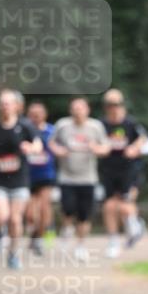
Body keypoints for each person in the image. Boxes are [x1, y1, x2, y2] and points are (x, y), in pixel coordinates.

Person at [0, 89, 42, 269]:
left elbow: (38, 144)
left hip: (20, 180)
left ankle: (13, 254)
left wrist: (31, 148)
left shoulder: (25, 125)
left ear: (16, 106)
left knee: (15, 219)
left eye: (8, 103)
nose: (5, 106)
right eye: (2, 103)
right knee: (2, 216)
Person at [49, 96, 110, 262]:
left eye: (81, 108)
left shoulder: (95, 126)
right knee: (68, 209)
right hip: (66, 177)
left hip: (88, 178)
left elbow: (106, 148)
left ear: (87, 110)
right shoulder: (62, 125)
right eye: (75, 108)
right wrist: (58, 151)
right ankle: (66, 231)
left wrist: (96, 148)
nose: (78, 111)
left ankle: (81, 246)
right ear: (71, 110)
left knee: (84, 215)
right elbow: (51, 143)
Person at [99, 89, 148, 258]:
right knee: (109, 206)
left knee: (126, 204)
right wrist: (99, 149)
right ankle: (113, 241)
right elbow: (95, 142)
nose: (114, 108)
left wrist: (135, 148)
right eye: (111, 104)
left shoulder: (131, 123)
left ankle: (135, 225)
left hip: (129, 169)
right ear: (106, 107)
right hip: (109, 170)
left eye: (117, 104)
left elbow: (144, 138)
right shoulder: (101, 125)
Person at [24, 101, 56, 255]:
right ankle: (35, 234)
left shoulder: (52, 131)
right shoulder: (24, 130)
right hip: (27, 175)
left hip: (46, 174)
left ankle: (39, 239)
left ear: (44, 115)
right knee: (30, 214)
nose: (35, 117)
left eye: (38, 114)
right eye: (32, 115)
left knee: (44, 208)